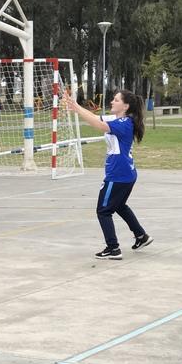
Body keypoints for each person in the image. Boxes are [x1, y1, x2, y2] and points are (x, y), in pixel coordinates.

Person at [63, 90, 152, 260]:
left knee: (103, 211)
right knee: (119, 205)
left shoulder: (124, 123)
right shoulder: (120, 119)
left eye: (116, 100)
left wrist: (76, 108)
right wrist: (77, 107)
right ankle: (141, 236)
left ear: (125, 106)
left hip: (118, 175)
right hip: (127, 174)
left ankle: (113, 248)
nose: (112, 101)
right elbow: (96, 119)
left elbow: (99, 126)